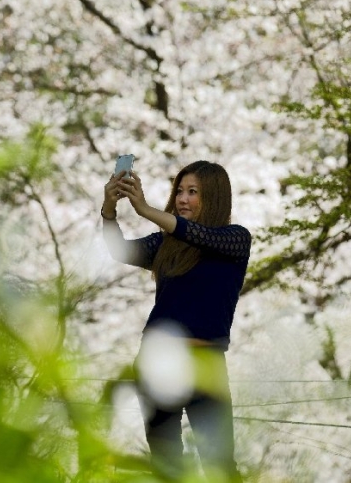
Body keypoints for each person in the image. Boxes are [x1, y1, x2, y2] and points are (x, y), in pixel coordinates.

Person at [101, 160, 251, 482]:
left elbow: (194, 234)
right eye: (179, 191)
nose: (182, 198)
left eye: (193, 192)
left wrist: (145, 209)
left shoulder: (235, 240)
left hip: (204, 362)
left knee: (220, 464)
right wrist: (109, 210)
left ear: (214, 197)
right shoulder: (166, 244)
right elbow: (119, 251)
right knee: (167, 465)